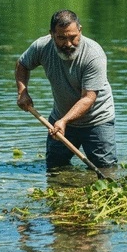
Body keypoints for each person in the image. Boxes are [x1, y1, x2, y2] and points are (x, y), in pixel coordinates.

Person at [15, 9, 118, 171]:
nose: (68, 44)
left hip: (97, 120)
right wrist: (22, 92)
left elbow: (88, 98)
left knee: (105, 170)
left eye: (73, 37)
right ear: (51, 34)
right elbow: (22, 64)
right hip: (60, 118)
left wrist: (64, 121)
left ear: (80, 30)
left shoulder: (93, 54)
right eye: (61, 38)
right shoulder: (41, 47)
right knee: (55, 167)